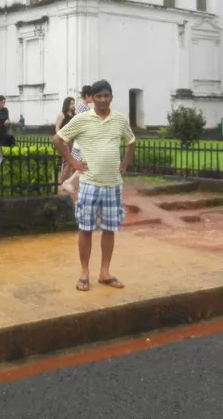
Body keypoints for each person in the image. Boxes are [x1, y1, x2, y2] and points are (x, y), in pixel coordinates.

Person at [53, 80, 136, 292]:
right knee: (86, 229)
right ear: (93, 98)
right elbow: (57, 139)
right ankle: (84, 273)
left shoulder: (119, 120)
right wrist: (73, 163)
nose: (102, 100)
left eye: (106, 96)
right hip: (89, 184)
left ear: (111, 97)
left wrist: (125, 163)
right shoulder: (82, 119)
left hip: (113, 185)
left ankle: (105, 272)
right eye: (98, 96)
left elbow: (131, 141)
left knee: (109, 229)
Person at [60, 85, 93, 200]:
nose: (93, 99)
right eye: (92, 96)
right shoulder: (82, 109)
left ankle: (70, 183)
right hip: (82, 142)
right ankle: (68, 182)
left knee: (84, 166)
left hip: (84, 141)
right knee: (83, 166)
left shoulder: (85, 108)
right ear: (87, 96)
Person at [55, 97, 76, 186]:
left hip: (73, 140)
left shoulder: (74, 115)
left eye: (74, 103)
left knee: (74, 159)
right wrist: (61, 139)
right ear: (67, 104)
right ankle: (63, 181)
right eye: (71, 103)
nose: (73, 105)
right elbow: (57, 128)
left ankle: (69, 181)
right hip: (64, 141)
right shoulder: (62, 115)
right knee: (66, 160)